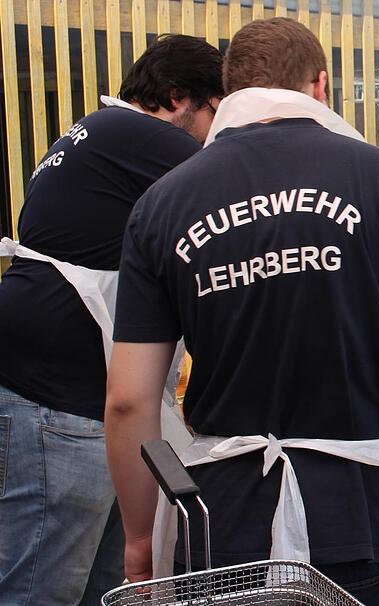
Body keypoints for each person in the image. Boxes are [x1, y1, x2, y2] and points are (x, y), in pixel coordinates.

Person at [104, 17, 379, 606]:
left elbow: (128, 400)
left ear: (228, 92)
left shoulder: (160, 205)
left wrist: (138, 536)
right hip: (356, 513)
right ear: (321, 86)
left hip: (221, 520)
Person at [0, 35, 223, 606]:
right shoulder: (137, 135)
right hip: (54, 399)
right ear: (179, 98)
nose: (216, 133)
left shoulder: (98, 132)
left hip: (58, 389)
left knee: (110, 586)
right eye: (217, 112)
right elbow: (241, 181)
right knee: (42, 587)